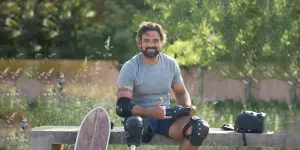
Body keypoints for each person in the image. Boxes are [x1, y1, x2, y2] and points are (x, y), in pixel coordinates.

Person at [115, 21, 209, 150]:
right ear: (140, 43)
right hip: (140, 118)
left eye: (155, 40)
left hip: (165, 116)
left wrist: (187, 108)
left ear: (161, 42)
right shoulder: (129, 67)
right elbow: (122, 106)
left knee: (199, 127)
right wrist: (150, 112)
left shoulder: (170, 63)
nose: (151, 44)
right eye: (146, 40)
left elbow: (181, 92)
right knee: (134, 124)